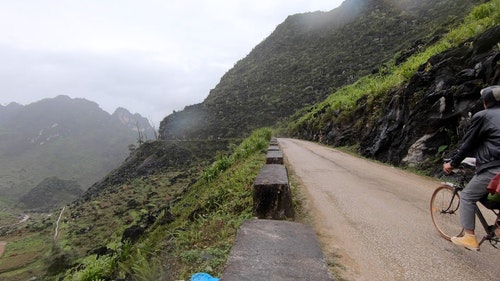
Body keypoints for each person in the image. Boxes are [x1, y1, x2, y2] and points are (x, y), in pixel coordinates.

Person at [443, 85, 500, 251]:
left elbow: (468, 144)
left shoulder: (483, 116)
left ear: (485, 102)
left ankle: (469, 237)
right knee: (492, 197)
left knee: (467, 196)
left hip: (494, 167)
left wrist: (452, 163)